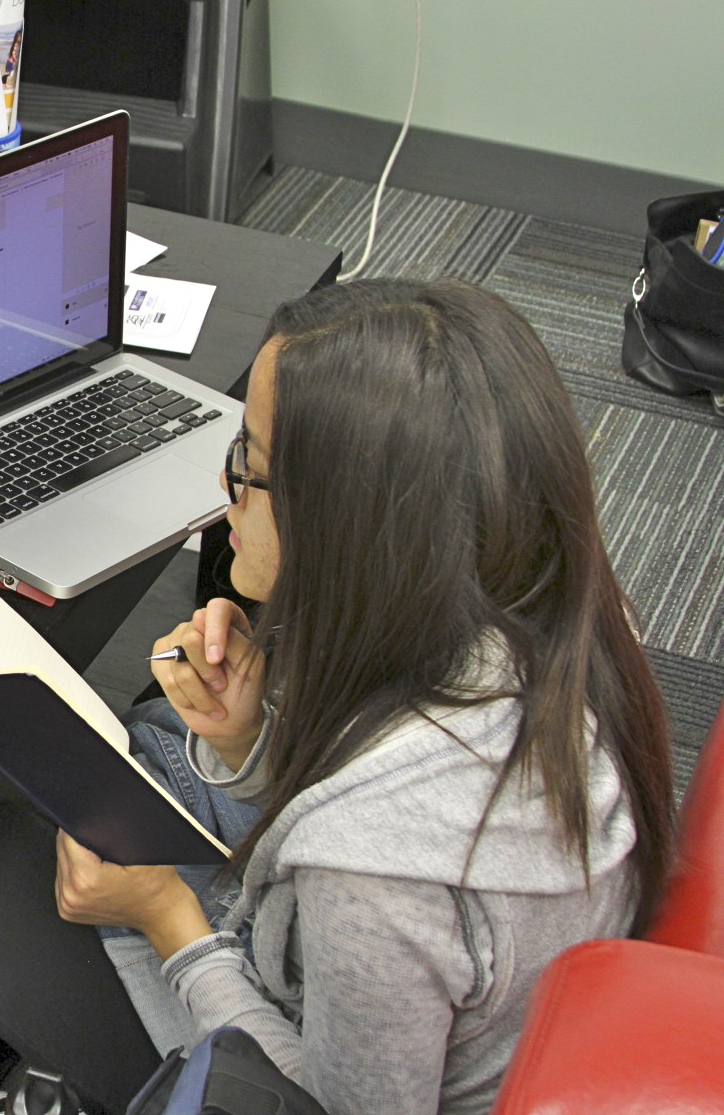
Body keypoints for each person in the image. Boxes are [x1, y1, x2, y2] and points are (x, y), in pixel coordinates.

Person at [50, 279, 675, 1114]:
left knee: (18, 845)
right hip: (455, 977)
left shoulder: (375, 882)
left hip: (312, 1050)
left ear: (346, 522)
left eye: (252, 466)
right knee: (159, 740)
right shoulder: (563, 610)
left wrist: (168, 920)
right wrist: (249, 747)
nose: (226, 487)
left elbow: (329, 1105)